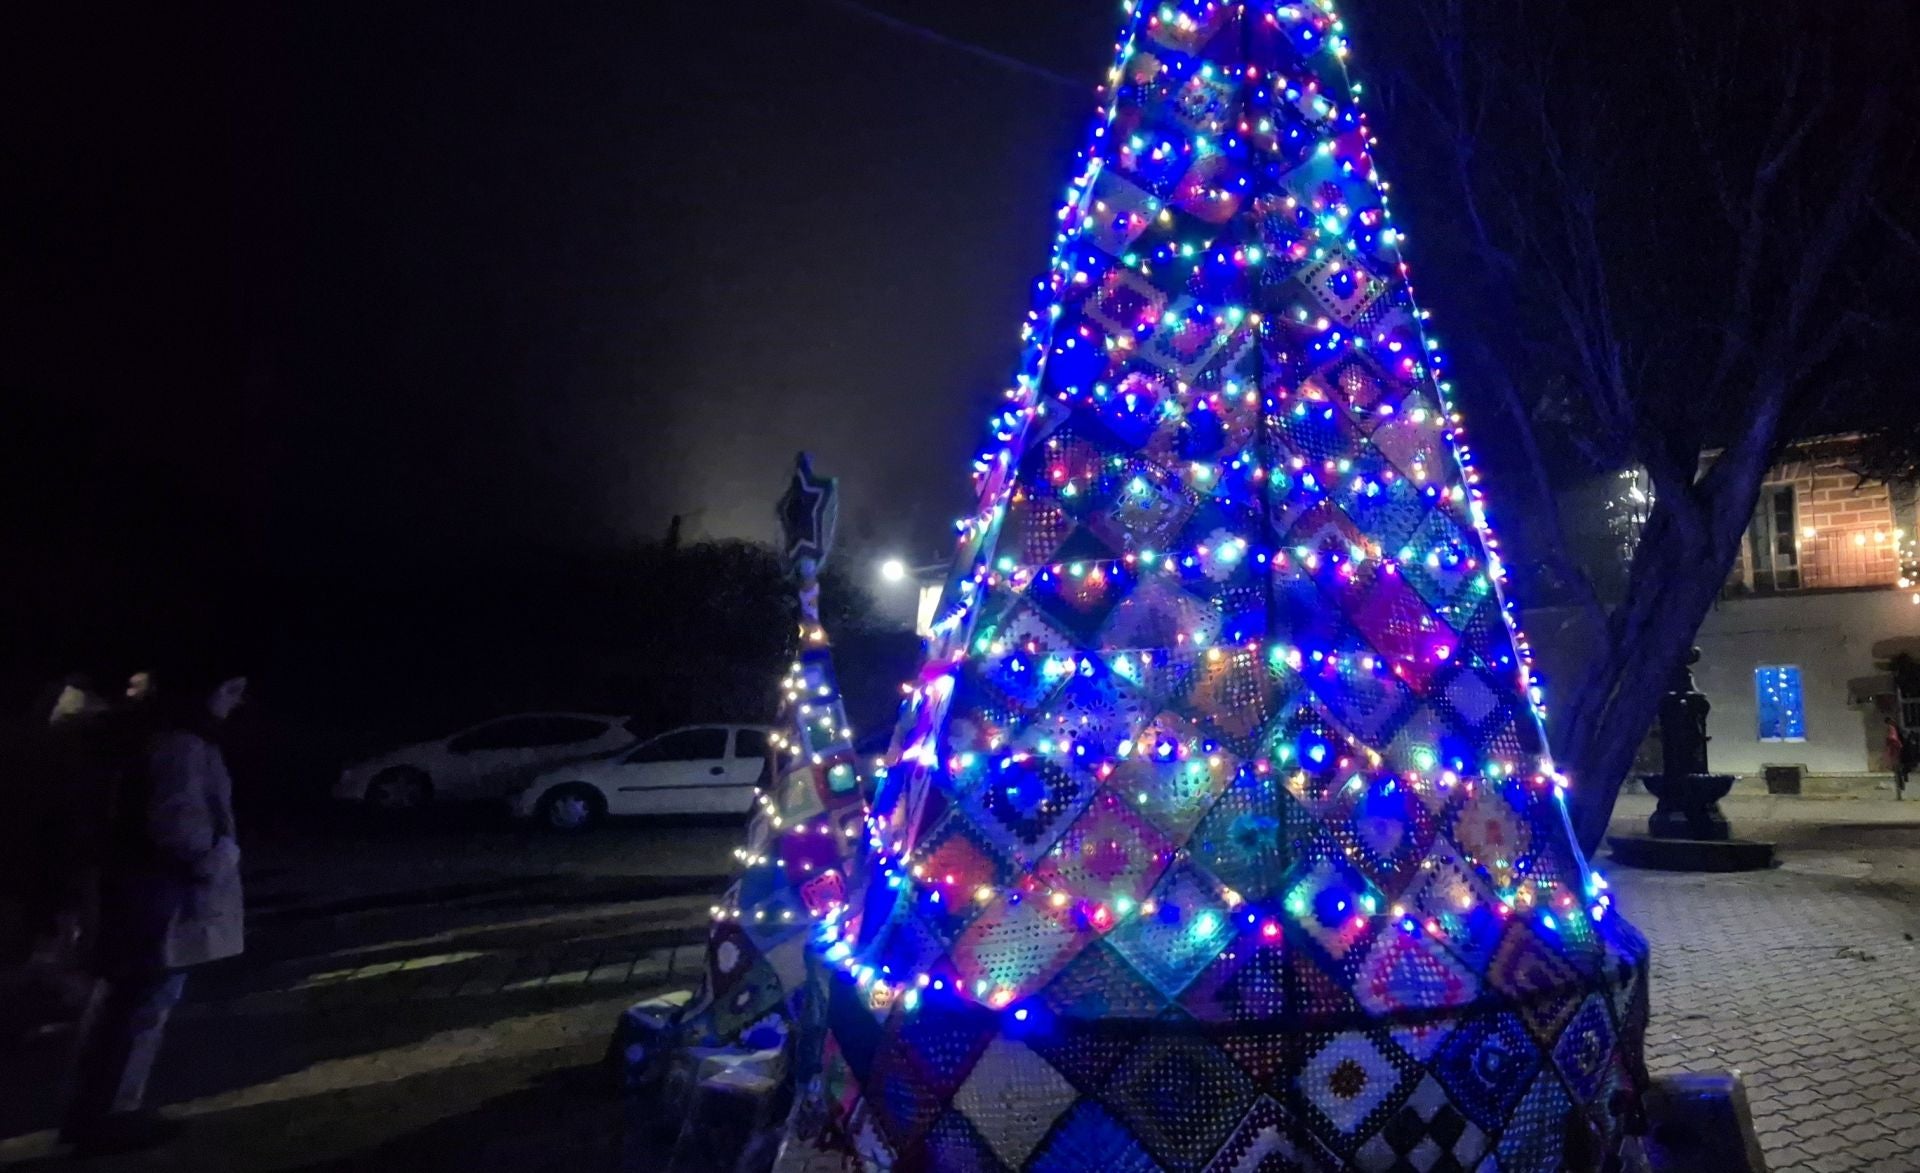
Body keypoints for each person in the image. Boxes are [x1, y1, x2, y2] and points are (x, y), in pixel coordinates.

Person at [62, 664, 248, 1155]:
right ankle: (108, 1116)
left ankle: (95, 1111)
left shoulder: (138, 737)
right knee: (141, 1003)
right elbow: (178, 825)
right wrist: (219, 858)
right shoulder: (180, 744)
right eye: (229, 689)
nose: (235, 702)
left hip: (130, 886)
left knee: (122, 1000)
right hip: (158, 894)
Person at [1889, 717, 1910, 800]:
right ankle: (1900, 793)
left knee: (1899, 773)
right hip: (1900, 755)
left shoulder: (1894, 732)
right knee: (1899, 773)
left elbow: (1895, 742)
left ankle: (1900, 794)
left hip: (1899, 755)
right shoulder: (1897, 731)